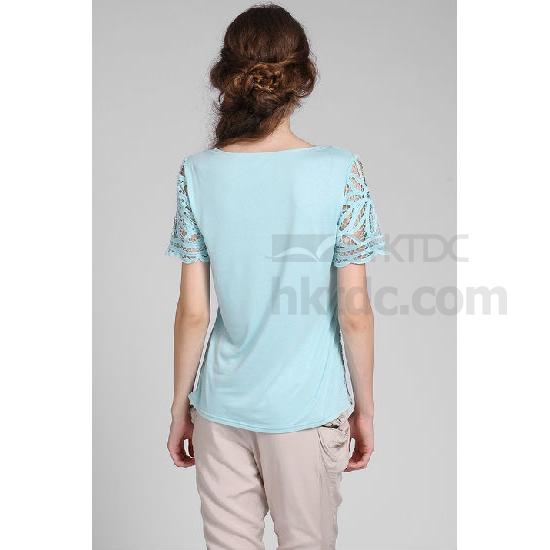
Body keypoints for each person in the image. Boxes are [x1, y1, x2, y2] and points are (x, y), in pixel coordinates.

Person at [166, 4, 385, 549]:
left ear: (227, 76)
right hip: (305, 409)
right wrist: (365, 410)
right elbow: (355, 310)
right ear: (304, 77)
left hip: (220, 409)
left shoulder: (198, 172)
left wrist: (179, 407)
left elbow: (193, 311)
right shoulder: (341, 171)